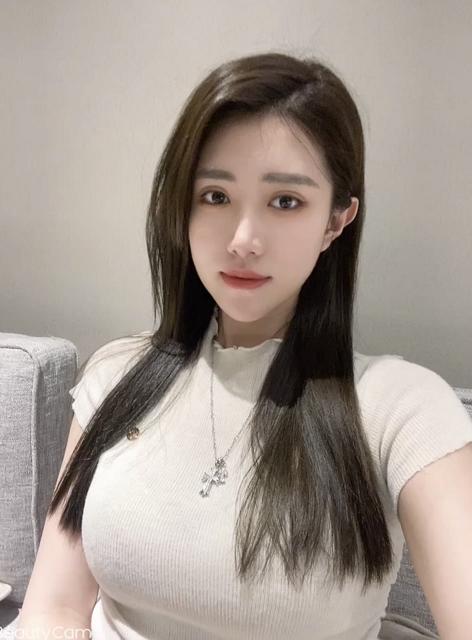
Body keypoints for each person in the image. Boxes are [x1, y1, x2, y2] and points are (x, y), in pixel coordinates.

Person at [17, 51, 472, 640]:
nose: (243, 239)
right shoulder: (118, 374)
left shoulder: (402, 410)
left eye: (286, 201)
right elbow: (53, 609)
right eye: (215, 196)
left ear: (336, 221)